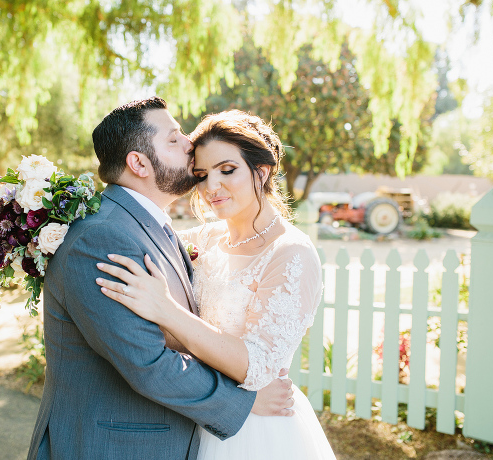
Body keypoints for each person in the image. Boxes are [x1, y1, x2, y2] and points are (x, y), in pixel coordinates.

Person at [27, 98, 295, 460]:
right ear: (138, 163)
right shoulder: (102, 238)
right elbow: (148, 362)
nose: (190, 143)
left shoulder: (150, 227)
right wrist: (243, 401)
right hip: (111, 446)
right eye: (173, 139)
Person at [95, 109, 336, 459]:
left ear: (262, 170)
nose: (211, 187)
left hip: (257, 428)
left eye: (227, 170)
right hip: (194, 416)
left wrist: (167, 310)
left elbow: (258, 367)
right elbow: (133, 231)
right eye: (202, 174)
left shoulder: (292, 253)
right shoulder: (203, 239)